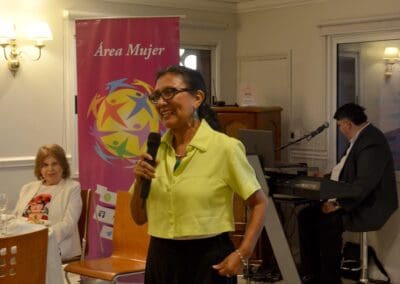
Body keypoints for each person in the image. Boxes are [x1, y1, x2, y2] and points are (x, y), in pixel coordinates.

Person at [130, 65, 268, 284]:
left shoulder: (225, 148)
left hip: (207, 261)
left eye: (169, 93)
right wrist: (139, 182)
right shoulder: (154, 151)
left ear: (197, 98)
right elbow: (138, 218)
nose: (161, 103)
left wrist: (244, 253)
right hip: (161, 258)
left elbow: (260, 203)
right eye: (156, 96)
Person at [298, 103, 398, 284]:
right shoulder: (361, 138)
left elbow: (363, 186)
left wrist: (337, 205)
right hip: (356, 199)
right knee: (306, 216)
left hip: (370, 205)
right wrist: (325, 178)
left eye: (339, 126)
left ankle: (330, 279)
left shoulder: (371, 142)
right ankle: (310, 274)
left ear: (347, 124)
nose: (340, 130)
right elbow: (345, 172)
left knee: (328, 222)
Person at [14, 144, 82, 261]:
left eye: (55, 164)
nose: (50, 169)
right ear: (39, 169)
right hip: (24, 242)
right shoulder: (27, 188)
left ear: (63, 166)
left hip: (53, 244)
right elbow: (15, 218)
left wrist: (40, 238)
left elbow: (68, 224)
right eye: (45, 165)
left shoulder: (72, 188)